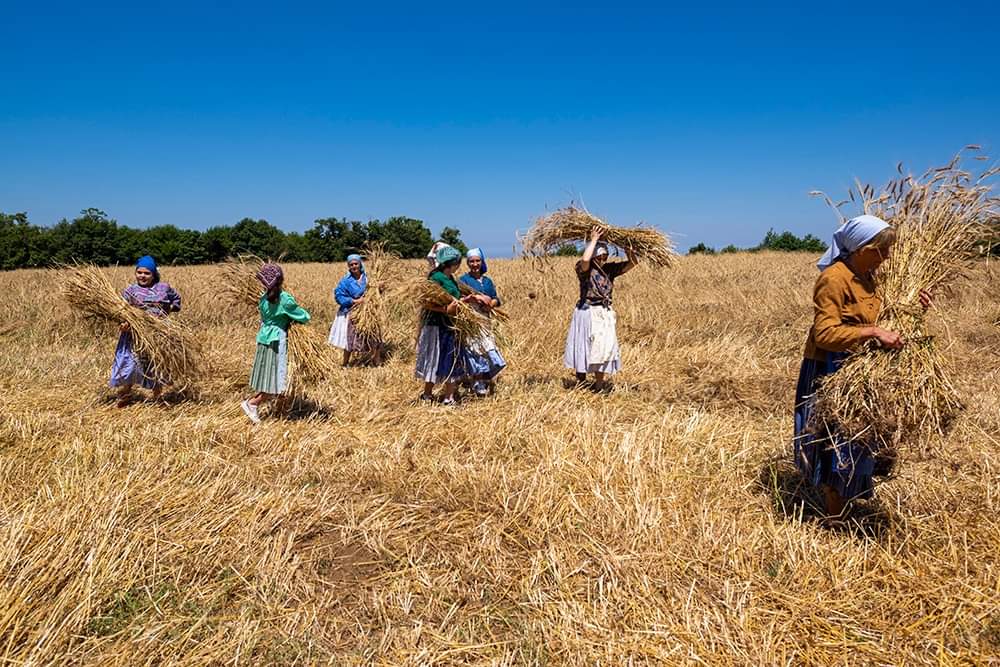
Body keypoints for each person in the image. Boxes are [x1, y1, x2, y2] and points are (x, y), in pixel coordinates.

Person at [793, 215, 932, 516]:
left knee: (860, 441)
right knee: (835, 444)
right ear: (861, 248)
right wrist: (872, 332)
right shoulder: (834, 279)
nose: (888, 256)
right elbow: (825, 334)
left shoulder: (872, 277)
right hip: (829, 370)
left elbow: (890, 317)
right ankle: (834, 518)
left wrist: (917, 308)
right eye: (882, 250)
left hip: (861, 369)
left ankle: (845, 508)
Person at [563, 228, 635, 392]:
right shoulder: (584, 269)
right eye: (600, 256)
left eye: (605, 256)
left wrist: (627, 248)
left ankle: (599, 385)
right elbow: (585, 259)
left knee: (603, 348)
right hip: (587, 312)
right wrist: (594, 239)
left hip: (603, 313)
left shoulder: (609, 270)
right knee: (584, 346)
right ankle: (581, 381)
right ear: (594, 255)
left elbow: (633, 263)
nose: (603, 259)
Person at [241, 263, 311, 424]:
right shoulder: (284, 299)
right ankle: (252, 403)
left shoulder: (263, 298)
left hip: (264, 337)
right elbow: (303, 316)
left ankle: (281, 412)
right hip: (277, 339)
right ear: (280, 280)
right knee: (277, 377)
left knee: (269, 375)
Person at [109, 255, 181, 407]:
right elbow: (121, 311)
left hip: (157, 333)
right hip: (135, 335)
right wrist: (123, 324)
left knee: (156, 363)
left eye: (147, 273)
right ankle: (126, 394)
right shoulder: (130, 291)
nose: (142, 276)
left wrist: (170, 309)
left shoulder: (164, 288)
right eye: (139, 272)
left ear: (154, 274)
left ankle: (158, 397)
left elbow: (176, 299)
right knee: (131, 363)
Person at [415, 245, 480, 405]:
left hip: (450, 325)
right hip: (437, 326)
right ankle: (440, 397)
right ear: (452, 263)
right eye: (458, 263)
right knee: (440, 358)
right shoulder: (436, 278)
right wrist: (445, 309)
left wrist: (465, 300)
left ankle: (441, 395)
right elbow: (424, 302)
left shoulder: (449, 277)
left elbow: (452, 299)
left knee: (448, 358)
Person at [459, 247, 506, 396]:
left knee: (488, 349)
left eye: (477, 261)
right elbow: (459, 299)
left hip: (485, 320)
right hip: (471, 320)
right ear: (467, 263)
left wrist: (491, 304)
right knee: (474, 349)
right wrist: (474, 300)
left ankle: (485, 378)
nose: (475, 264)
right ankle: (477, 382)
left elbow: (496, 298)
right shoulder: (463, 280)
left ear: (482, 261)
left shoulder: (487, 281)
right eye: (471, 261)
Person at [328, 253, 383, 366]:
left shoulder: (368, 279)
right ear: (348, 266)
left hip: (368, 312)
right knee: (349, 339)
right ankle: (345, 363)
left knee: (373, 337)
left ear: (360, 264)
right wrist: (354, 301)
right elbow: (338, 296)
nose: (354, 266)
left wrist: (380, 288)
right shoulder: (345, 281)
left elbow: (376, 293)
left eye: (356, 264)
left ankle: (376, 362)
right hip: (352, 313)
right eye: (351, 264)